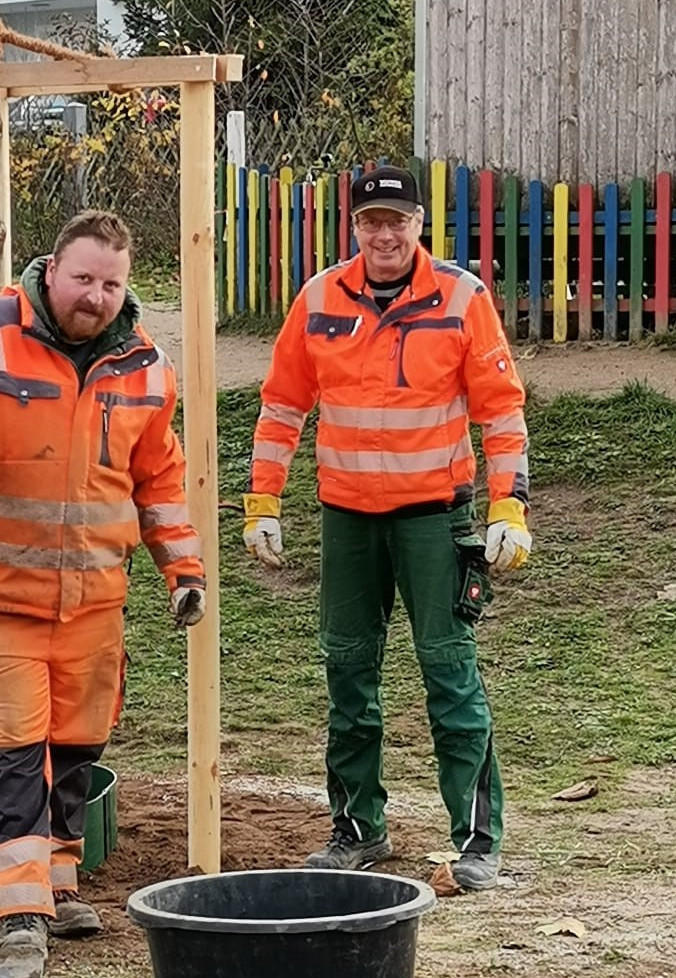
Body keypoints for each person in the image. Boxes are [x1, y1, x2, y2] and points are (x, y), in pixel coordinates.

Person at [0, 210, 206, 955]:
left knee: (75, 744)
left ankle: (58, 882)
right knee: (8, 747)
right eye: (83, 279)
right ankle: (20, 904)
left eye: (111, 284)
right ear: (51, 270)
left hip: (95, 598)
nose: (94, 296)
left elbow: (157, 477)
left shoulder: (145, 365)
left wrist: (182, 569)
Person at [243, 165, 531, 892]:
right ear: (354, 227)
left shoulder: (461, 299)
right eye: (371, 220)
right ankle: (357, 830)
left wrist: (508, 505)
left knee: (447, 669)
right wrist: (261, 501)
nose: (383, 233)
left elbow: (500, 411)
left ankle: (475, 841)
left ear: (419, 224)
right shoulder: (317, 300)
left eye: (396, 220)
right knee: (346, 671)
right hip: (345, 516)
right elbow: (281, 407)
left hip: (433, 517)